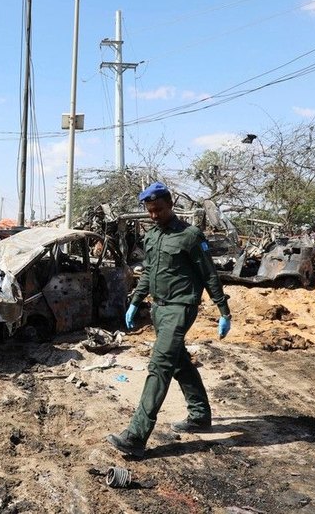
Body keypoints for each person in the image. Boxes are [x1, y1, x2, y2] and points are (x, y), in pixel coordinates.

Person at [106, 182, 232, 458]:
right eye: (150, 211)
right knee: (178, 360)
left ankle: (136, 435)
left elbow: (209, 274)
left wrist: (223, 310)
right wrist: (136, 301)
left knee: (160, 364)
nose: (154, 215)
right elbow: (149, 272)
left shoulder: (190, 235)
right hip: (159, 309)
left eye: (159, 210)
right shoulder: (151, 237)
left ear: (171, 205)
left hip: (181, 307)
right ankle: (199, 415)